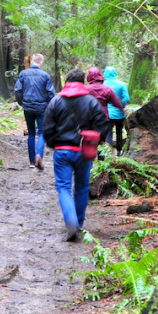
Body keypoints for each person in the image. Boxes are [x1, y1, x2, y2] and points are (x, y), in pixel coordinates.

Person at [42, 68, 109, 241]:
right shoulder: (92, 102)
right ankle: (78, 223)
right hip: (84, 151)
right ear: (83, 82)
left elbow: (47, 127)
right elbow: (102, 125)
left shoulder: (56, 101)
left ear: (67, 82)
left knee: (63, 188)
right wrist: (96, 140)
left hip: (62, 151)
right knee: (81, 187)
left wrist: (53, 143)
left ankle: (70, 221)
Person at [14, 53, 55, 170]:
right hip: (41, 108)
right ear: (41, 62)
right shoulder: (45, 75)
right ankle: (39, 155)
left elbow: (17, 91)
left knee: (31, 133)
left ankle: (32, 162)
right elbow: (51, 93)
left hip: (27, 108)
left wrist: (22, 102)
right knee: (41, 133)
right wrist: (46, 104)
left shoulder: (23, 74)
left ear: (32, 61)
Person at [84, 67, 125, 154]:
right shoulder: (107, 89)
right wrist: (122, 110)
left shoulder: (86, 89)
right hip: (104, 119)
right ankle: (101, 162)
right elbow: (117, 102)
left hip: (90, 119)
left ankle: (89, 163)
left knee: (89, 141)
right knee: (101, 142)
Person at [103, 66, 131, 156]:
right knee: (119, 132)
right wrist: (121, 106)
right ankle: (119, 152)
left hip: (107, 114)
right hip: (119, 113)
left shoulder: (102, 84)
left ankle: (108, 153)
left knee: (108, 134)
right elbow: (127, 98)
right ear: (115, 73)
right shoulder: (122, 84)